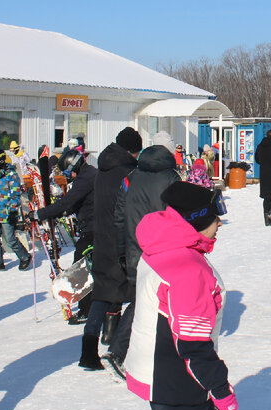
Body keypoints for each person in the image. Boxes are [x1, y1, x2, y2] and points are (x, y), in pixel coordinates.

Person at [123, 181, 235, 410]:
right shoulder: (188, 267)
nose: (220, 224)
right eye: (216, 217)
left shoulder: (165, 246)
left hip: (158, 367)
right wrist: (221, 391)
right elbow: (193, 344)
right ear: (197, 221)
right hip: (175, 376)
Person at [107, 142, 182, 376]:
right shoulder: (171, 178)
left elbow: (119, 216)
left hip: (133, 247)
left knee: (147, 296)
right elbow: (179, 213)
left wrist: (121, 249)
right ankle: (117, 351)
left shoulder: (130, 178)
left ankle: (157, 347)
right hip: (163, 247)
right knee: (148, 300)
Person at [85, 127, 142, 372]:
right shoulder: (128, 172)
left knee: (102, 293)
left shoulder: (103, 169)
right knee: (133, 290)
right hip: (120, 239)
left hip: (101, 238)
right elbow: (129, 209)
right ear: (132, 151)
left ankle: (88, 350)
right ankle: (118, 344)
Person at [29, 147, 96, 323]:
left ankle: (86, 310)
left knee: (81, 268)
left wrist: (42, 214)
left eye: (68, 171)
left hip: (95, 229)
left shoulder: (86, 179)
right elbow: (77, 202)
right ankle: (91, 306)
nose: (67, 176)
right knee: (88, 266)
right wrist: (63, 212)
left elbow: (69, 201)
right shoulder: (88, 175)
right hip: (94, 227)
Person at [0, 149, 32, 273]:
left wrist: (13, 211)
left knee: (10, 239)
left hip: (6, 212)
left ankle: (25, 257)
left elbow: (15, 194)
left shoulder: (11, 174)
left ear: (0, 161)